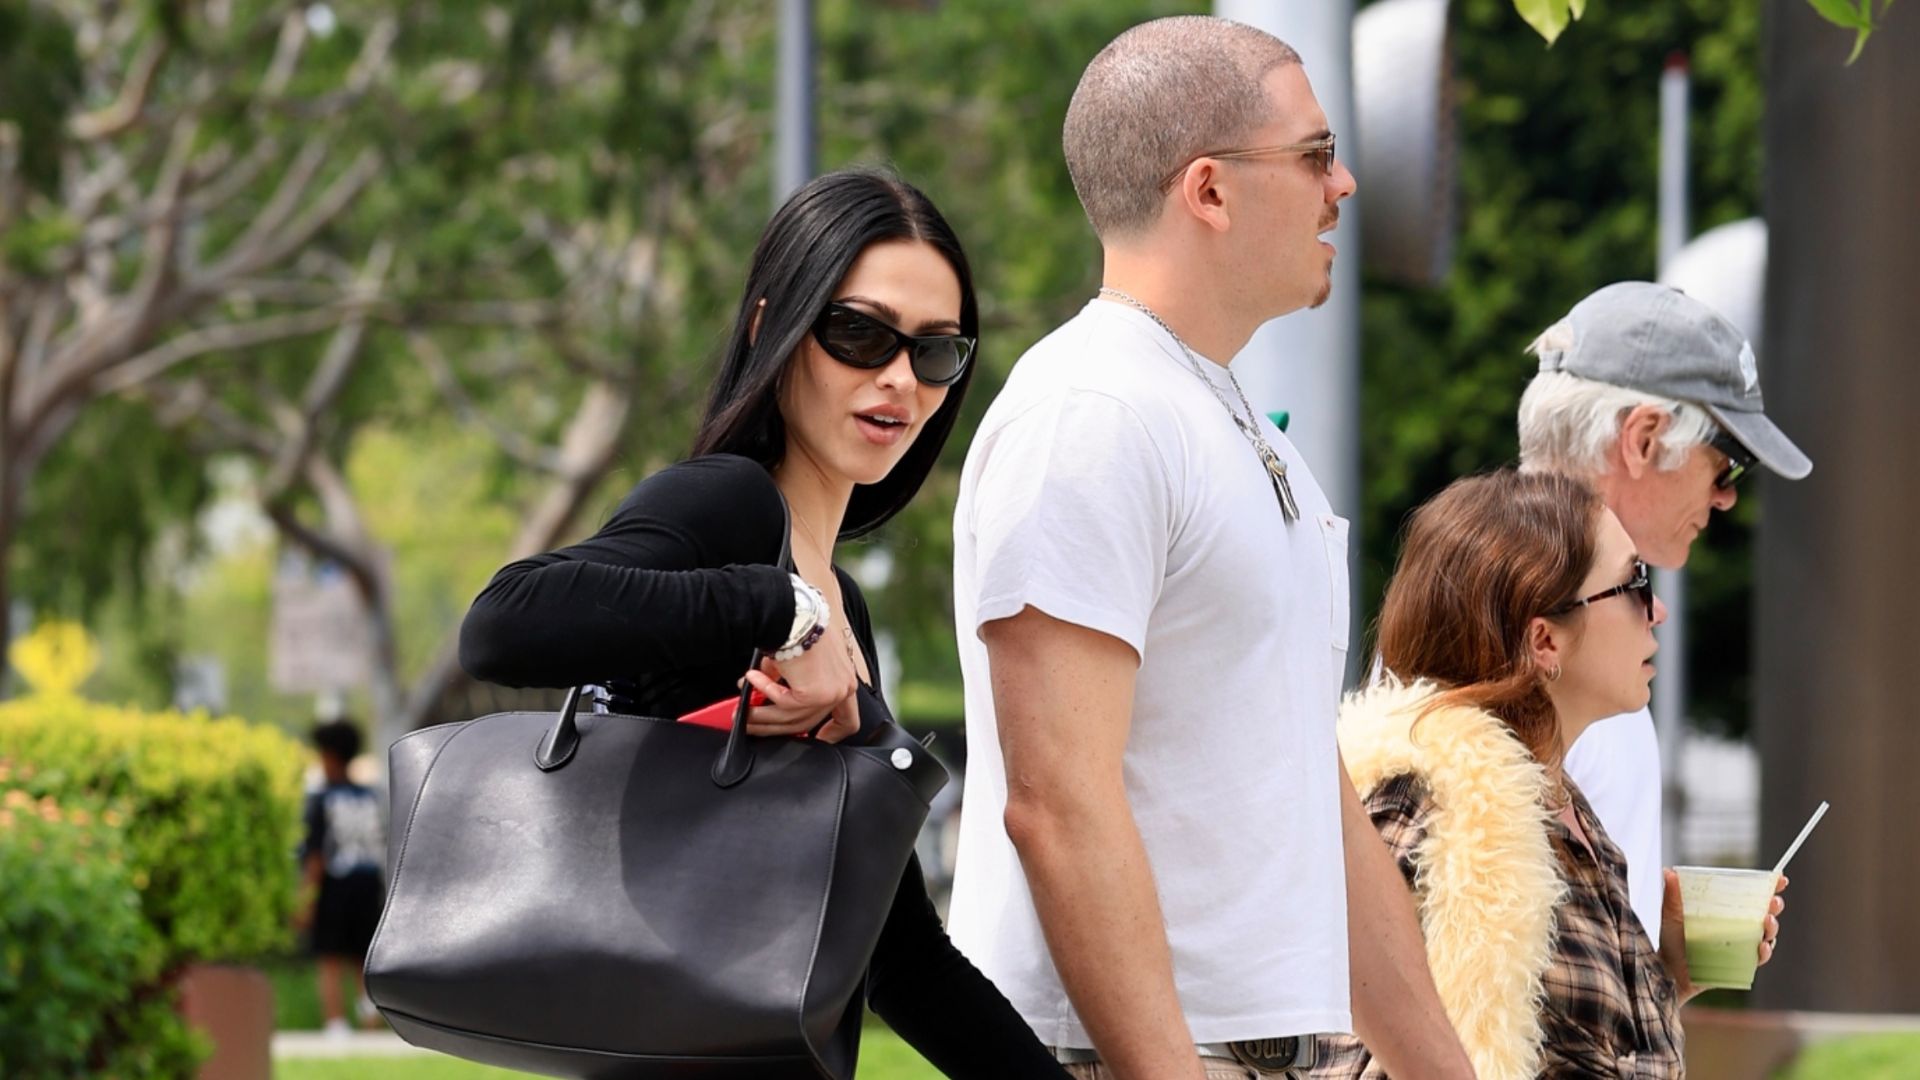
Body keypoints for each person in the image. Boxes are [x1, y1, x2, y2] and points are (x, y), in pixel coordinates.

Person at [947, 17, 1475, 1080]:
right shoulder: (1090, 413)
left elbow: (1308, 793)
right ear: (1210, 191)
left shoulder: (1214, 417)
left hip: (1255, 1047)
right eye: (1317, 154)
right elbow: (1058, 803)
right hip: (1112, 1054)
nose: (1347, 185)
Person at [458, 167, 1067, 1077]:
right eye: (860, 333)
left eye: (937, 352)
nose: (900, 378)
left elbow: (901, 960)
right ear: (769, 329)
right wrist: (786, 613)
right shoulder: (726, 505)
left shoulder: (844, 600)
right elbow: (502, 624)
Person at [1317, 470, 1788, 1079]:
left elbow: (1570, 1049)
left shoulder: (1558, 807)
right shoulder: (1430, 806)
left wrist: (1666, 972)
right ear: (1545, 640)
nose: (1660, 610)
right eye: (1634, 583)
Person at [1518, 281, 1813, 937]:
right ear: (1644, 438)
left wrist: (1664, 969)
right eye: (1727, 465)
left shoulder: (1532, 602)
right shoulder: (1527, 622)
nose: (1728, 498)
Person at [295, 719, 386, 1037]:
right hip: (368, 885)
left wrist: (305, 900)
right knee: (364, 960)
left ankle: (335, 1024)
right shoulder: (370, 797)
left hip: (334, 888)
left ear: (329, 755)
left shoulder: (321, 800)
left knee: (329, 959)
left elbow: (316, 856)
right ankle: (370, 1022)